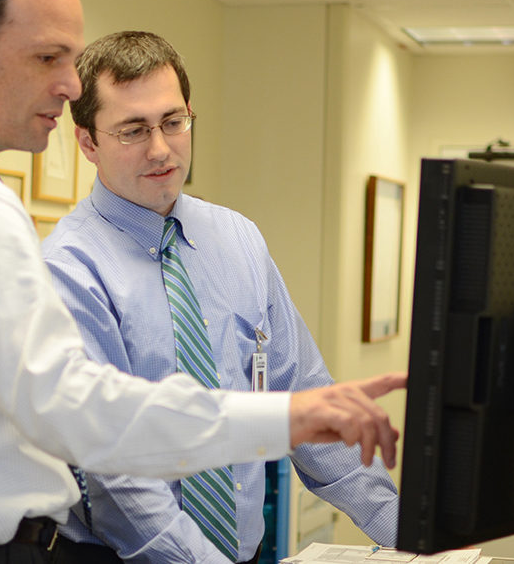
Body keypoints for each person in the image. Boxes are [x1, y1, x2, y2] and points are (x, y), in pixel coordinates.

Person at [0, 0, 407, 564]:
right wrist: (283, 417)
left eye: (174, 121)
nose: (70, 83)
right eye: (48, 57)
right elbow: (84, 416)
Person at [41, 31, 402, 564]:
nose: (161, 148)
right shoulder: (68, 269)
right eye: (133, 130)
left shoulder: (238, 240)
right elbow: (111, 473)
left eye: (173, 122)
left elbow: (303, 397)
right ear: (88, 143)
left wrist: (408, 531)